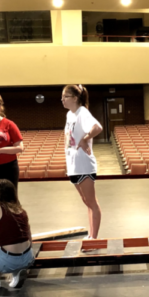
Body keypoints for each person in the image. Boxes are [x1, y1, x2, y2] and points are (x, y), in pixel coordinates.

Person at [62, 84, 103, 239]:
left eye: (65, 97)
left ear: (75, 98)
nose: (62, 100)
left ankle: (94, 238)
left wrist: (86, 139)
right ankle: (91, 235)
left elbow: (97, 127)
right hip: (74, 165)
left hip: (84, 165)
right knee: (87, 202)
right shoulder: (69, 115)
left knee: (92, 202)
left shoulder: (82, 112)